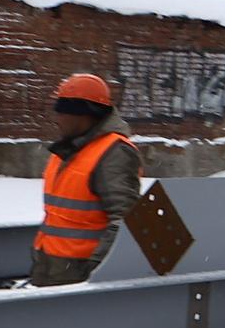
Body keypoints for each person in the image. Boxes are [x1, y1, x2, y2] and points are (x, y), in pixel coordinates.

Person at [29, 73, 143, 287]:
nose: (57, 117)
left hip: (80, 277)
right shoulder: (68, 148)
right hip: (53, 269)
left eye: (64, 111)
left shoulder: (114, 152)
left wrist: (97, 270)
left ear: (85, 114)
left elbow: (125, 220)